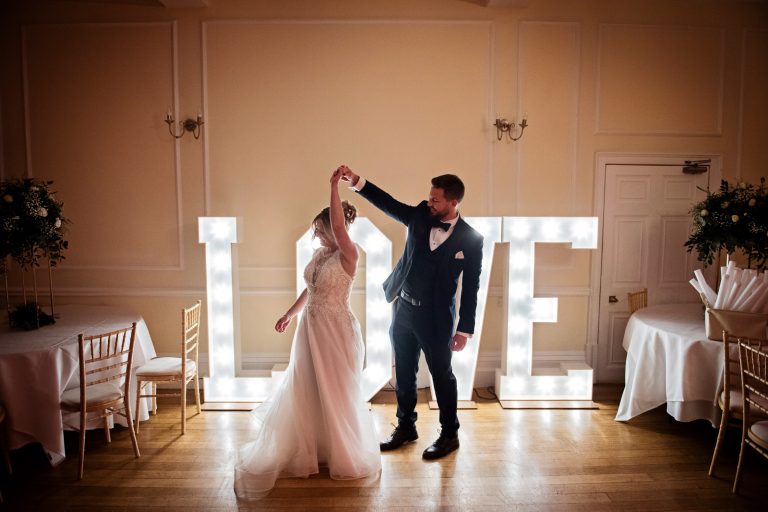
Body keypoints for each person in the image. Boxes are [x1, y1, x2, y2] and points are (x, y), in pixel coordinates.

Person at [234, 168, 381, 500]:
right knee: (307, 387)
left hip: (335, 331)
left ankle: (341, 452)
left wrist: (332, 186)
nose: (316, 236)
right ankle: (312, 451)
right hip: (310, 329)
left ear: (332, 226)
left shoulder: (349, 253)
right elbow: (311, 290)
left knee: (336, 390)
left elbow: (340, 226)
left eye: (319, 229)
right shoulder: (320, 255)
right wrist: (290, 313)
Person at [340, 165, 483, 460]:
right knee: (404, 373)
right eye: (429, 198)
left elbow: (471, 288)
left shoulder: (471, 240)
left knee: (442, 376)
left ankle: (449, 434)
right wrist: (357, 182)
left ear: (454, 202)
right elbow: (389, 203)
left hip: (437, 318)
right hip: (403, 309)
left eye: (436, 200)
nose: (429, 203)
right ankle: (406, 427)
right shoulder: (419, 215)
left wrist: (464, 330)